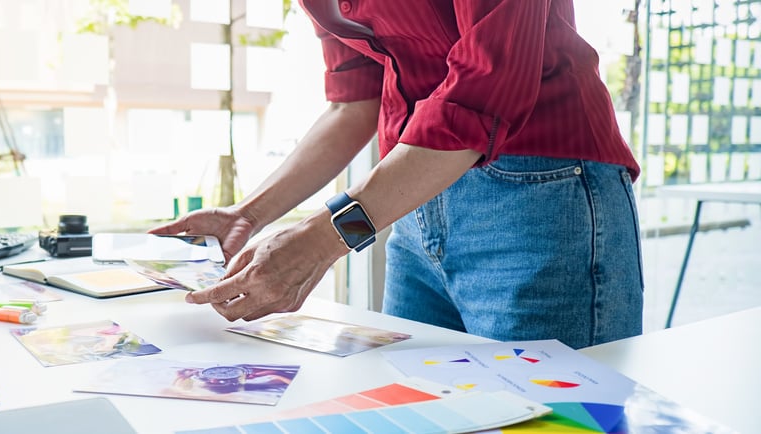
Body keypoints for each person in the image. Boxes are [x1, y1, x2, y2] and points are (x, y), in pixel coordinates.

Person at [151, 0, 643, 349]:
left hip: (539, 191)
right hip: (412, 203)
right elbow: (353, 104)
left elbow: (482, 96)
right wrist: (249, 215)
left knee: (548, 418)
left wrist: (321, 240)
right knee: (417, 403)